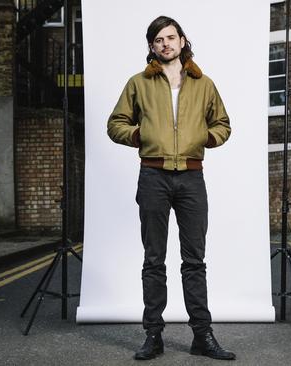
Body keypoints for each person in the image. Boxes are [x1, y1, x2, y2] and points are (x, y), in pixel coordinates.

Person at [107, 15, 235, 361]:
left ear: (182, 41)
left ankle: (202, 336)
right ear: (152, 47)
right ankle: (153, 336)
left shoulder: (203, 83)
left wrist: (204, 138)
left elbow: (223, 124)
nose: (166, 44)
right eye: (159, 40)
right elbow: (115, 123)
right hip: (153, 177)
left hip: (192, 178)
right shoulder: (139, 83)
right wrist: (139, 135)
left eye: (171, 37)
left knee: (194, 260)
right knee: (154, 260)